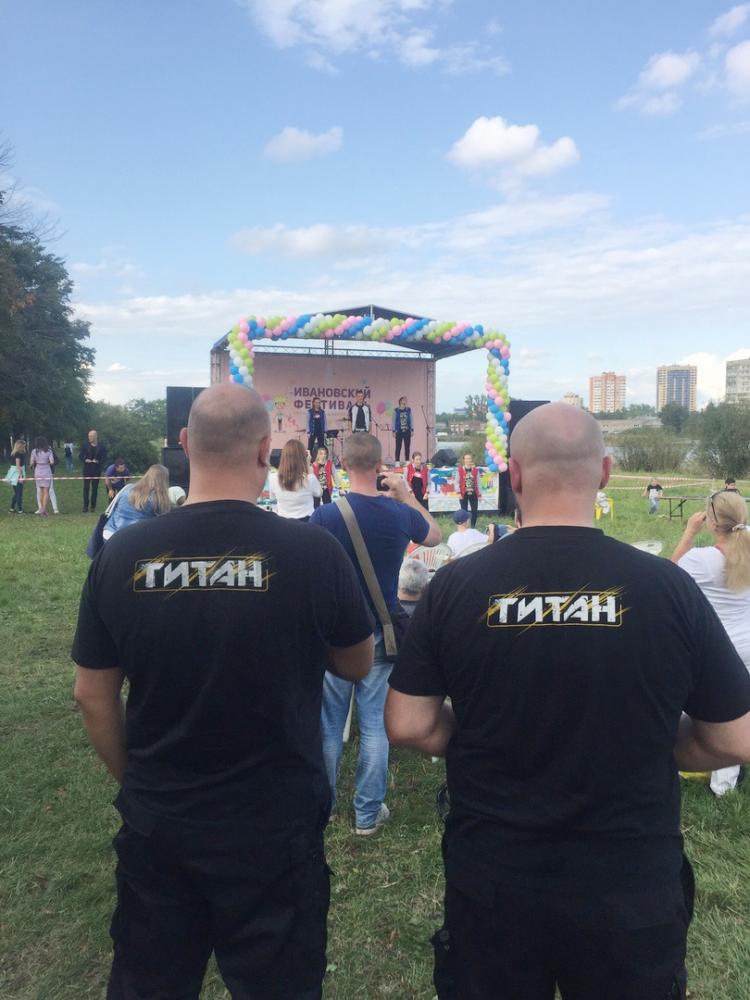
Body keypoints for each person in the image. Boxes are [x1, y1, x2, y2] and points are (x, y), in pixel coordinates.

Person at [385, 402, 750, 1000]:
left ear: (515, 476)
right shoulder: (667, 587)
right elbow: (734, 737)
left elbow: (406, 724)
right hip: (629, 883)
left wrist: (484, 734)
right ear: (605, 473)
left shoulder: (455, 586)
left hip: (496, 880)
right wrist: (650, 741)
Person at [71, 382, 374, 999]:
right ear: (265, 450)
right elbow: (357, 663)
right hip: (275, 823)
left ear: (185, 444)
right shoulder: (314, 552)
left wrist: (137, 779)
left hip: (161, 819)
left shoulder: (123, 554)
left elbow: (91, 694)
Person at [311, 432, 441, 835]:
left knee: (329, 726)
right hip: (382, 631)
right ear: (381, 466)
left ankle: (323, 809)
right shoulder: (398, 513)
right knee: (374, 726)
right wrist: (407, 495)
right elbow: (434, 535)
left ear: (342, 465)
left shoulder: (325, 517)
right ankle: (367, 815)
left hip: (337, 635)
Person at [672, 490, 750, 795]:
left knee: (714, 710)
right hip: (748, 640)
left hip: (719, 646)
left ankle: (708, 773)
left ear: (711, 522)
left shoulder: (701, 560)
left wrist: (689, 533)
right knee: (741, 710)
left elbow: (668, 574)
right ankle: (725, 784)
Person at [102, 465, 171, 541]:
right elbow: (164, 521)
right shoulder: (158, 498)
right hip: (132, 537)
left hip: (109, 533)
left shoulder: (127, 488)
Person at [268, 438, 322, 520]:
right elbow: (319, 493)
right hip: (306, 522)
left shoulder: (273, 478)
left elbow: (272, 498)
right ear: (303, 457)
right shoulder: (309, 478)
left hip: (284, 522)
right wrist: (308, 466)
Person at [80, 430, 107, 513]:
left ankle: (93, 506)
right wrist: (85, 459)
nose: (89, 438)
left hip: (96, 470)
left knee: (95, 488)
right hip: (87, 469)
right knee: (86, 488)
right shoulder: (85, 446)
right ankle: (85, 506)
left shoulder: (101, 447)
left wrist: (98, 461)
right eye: (89, 436)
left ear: (96, 436)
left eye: (91, 436)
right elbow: (80, 456)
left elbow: (104, 457)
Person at [30, 436, 54, 517]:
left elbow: (31, 463)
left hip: (38, 471)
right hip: (46, 471)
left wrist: (31, 466)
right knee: (46, 491)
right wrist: (46, 462)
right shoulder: (49, 451)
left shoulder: (34, 451)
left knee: (40, 490)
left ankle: (42, 509)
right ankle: (43, 509)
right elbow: (52, 462)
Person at [458, 453, 481, 527]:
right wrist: (458, 493)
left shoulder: (476, 470)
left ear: (471, 460)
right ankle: (465, 526)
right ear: (464, 460)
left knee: (474, 511)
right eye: (466, 458)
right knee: (464, 511)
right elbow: (456, 482)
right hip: (463, 493)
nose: (468, 460)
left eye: (469, 458)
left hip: (473, 493)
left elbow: (478, 483)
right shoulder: (460, 470)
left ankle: (473, 526)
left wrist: (479, 494)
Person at [392, 396, 413, 464]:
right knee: (398, 447)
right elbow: (393, 421)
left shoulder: (408, 410)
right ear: (400, 401)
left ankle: (407, 461)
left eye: (406, 400)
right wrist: (393, 431)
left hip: (407, 431)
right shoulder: (396, 410)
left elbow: (411, 420)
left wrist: (412, 430)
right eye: (404, 400)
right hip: (399, 431)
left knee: (407, 447)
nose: (405, 401)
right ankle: (397, 462)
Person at [8, 438, 26, 514]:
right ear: (20, 446)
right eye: (23, 446)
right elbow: (18, 466)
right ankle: (20, 510)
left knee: (16, 493)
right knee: (19, 493)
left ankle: (12, 508)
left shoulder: (14, 453)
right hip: (17, 474)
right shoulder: (18, 454)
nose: (24, 447)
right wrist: (21, 477)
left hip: (14, 473)